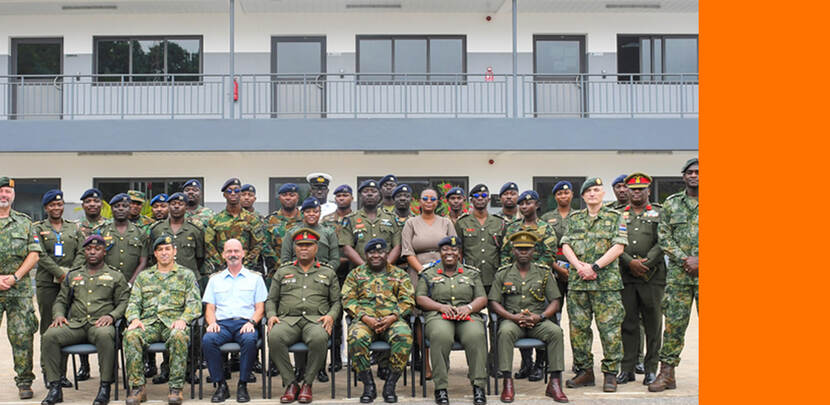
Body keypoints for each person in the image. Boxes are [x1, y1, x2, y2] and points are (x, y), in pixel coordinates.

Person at [40, 234, 129, 405]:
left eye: (97, 249)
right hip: (76, 325)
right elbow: (61, 300)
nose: (93, 252)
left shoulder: (115, 276)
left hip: (100, 324)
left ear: (104, 252)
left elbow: (124, 302)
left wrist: (112, 316)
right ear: (84, 252)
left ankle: (104, 387)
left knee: (105, 335)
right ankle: (55, 388)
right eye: (89, 249)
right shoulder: (73, 275)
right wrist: (58, 315)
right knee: (49, 336)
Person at [560, 177, 627, 393]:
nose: (592, 194)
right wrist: (579, 266)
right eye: (588, 191)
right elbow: (566, 245)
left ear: (602, 194)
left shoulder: (616, 217)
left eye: (596, 190)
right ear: (582, 196)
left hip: (606, 286)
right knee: (578, 330)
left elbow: (619, 247)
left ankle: (610, 374)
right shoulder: (575, 218)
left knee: (610, 331)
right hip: (579, 285)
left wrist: (594, 267)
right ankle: (585, 371)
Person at [489, 231, 568, 403]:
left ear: (534, 251)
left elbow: (555, 301)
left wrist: (540, 316)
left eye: (527, 249)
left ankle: (554, 382)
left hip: (537, 321)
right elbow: (494, 302)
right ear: (513, 251)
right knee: (504, 333)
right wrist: (512, 317)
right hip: (512, 321)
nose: (523, 252)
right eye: (519, 249)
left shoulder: (544, 273)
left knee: (556, 332)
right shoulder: (503, 273)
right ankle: (507, 382)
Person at [124, 235, 202, 405]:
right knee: (130, 335)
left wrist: (184, 319)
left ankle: (176, 388)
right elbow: (133, 302)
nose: (164, 253)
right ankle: (138, 388)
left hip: (173, 323)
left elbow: (194, 304)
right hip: (148, 324)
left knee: (179, 335)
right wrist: (134, 318)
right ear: (155, 254)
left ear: (175, 251)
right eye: (160, 250)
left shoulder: (186, 275)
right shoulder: (144, 277)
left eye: (168, 249)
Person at [267, 228, 340, 404]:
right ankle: (291, 383)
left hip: (316, 320)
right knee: (275, 336)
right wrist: (271, 315)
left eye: (308, 245)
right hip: (288, 320)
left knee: (319, 337)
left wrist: (331, 316)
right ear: (294, 248)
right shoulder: (283, 271)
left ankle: (307, 383)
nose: (304, 249)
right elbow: (271, 299)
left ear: (316, 248)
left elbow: (337, 302)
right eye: (300, 245)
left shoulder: (328, 272)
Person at [415, 236, 488, 405]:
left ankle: (478, 386)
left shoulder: (472, 273)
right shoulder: (428, 273)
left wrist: (468, 308)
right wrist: (440, 307)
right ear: (440, 253)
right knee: (441, 336)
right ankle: (441, 388)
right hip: (439, 315)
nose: (450, 253)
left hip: (466, 315)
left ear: (459, 253)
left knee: (476, 336)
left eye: (454, 250)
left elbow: (482, 298)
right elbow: (420, 298)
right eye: (445, 249)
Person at [341, 238, 414, 404]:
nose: (376, 255)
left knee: (404, 336)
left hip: (392, 320)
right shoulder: (356, 274)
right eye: (372, 252)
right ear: (366, 255)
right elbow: (347, 299)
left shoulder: (399, 274)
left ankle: (390, 385)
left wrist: (393, 317)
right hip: (364, 320)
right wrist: (365, 318)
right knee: (356, 337)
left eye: (380, 252)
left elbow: (408, 300)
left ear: (386, 254)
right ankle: (369, 386)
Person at [648, 158, 699, 393]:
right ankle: (667, 374)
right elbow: (664, 236)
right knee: (674, 327)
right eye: (690, 172)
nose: (694, 175)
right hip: (679, 276)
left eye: (699, 172)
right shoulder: (671, 204)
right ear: (683, 176)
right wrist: (684, 259)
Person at [499, 190, 557, 382]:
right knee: (518, 317)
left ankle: (540, 364)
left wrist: (531, 269)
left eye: (528, 203)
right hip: (515, 279)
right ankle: (526, 363)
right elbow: (505, 253)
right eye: (521, 204)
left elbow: (549, 256)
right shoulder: (513, 227)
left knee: (540, 321)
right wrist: (513, 270)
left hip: (539, 281)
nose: (524, 207)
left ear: (537, 205)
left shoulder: (545, 228)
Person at [202, 239, 267, 403]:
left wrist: (252, 323)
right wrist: (212, 323)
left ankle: (242, 385)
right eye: (229, 251)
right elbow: (210, 308)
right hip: (222, 324)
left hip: (245, 323)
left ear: (243, 254)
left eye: (236, 251)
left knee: (250, 339)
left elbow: (260, 308)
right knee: (208, 340)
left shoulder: (255, 279)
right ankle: (221, 385)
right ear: (223, 255)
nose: (233, 255)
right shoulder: (215, 279)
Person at [616, 173, 665, 386]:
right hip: (626, 275)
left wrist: (646, 263)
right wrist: (630, 262)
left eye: (641, 189)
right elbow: (613, 240)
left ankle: (651, 369)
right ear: (626, 190)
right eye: (632, 189)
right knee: (628, 323)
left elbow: (664, 239)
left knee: (653, 323)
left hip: (652, 277)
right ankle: (627, 369)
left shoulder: (660, 212)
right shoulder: (616, 213)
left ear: (648, 191)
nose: (636, 192)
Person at [33, 190, 85, 388]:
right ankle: (49, 373)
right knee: (49, 329)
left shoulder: (74, 228)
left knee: (66, 327)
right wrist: (61, 274)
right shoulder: (38, 228)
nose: (56, 208)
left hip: (71, 283)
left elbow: (81, 251)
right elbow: (40, 254)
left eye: (60, 204)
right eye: (52, 205)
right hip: (48, 284)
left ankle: (62, 374)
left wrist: (70, 275)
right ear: (46, 208)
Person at [0, 177, 42, 399]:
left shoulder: (25, 223)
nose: (3, 195)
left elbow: (34, 253)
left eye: (7, 191)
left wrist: (15, 277)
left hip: (19, 289)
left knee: (22, 336)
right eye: (0, 191)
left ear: (13, 195)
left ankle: (24, 382)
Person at [320, 184, 354, 373]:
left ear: (351, 198)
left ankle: (356, 355)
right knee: (333, 315)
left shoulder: (357, 219)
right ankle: (334, 359)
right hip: (332, 274)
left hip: (353, 273)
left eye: (345, 195)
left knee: (355, 315)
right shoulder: (326, 221)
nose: (342, 198)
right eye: (338, 195)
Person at [204, 178, 267, 275]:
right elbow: (209, 245)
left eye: (236, 190)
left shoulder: (252, 219)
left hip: (247, 271)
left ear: (240, 194)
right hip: (222, 270)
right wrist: (221, 263)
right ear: (224, 195)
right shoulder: (215, 220)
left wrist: (245, 265)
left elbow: (258, 244)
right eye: (229, 191)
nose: (233, 193)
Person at [455, 184, 506, 293]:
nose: (480, 198)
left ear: (488, 199)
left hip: (494, 275)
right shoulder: (462, 222)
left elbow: (504, 251)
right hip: (471, 275)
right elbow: (459, 252)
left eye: (483, 195)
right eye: (476, 196)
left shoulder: (499, 222)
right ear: (471, 200)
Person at [339, 180, 401, 267]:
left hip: (387, 272)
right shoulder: (350, 219)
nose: (369, 194)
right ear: (360, 196)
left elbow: (398, 246)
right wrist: (365, 268)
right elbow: (347, 248)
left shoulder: (392, 218)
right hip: (359, 272)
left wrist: (386, 266)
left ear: (380, 196)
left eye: (374, 191)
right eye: (365, 191)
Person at [148, 192, 206, 281]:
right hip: (163, 279)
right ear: (168, 206)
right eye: (173, 204)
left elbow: (200, 257)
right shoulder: (157, 229)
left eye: (180, 204)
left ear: (186, 207)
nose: (176, 207)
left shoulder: (195, 230)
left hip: (189, 280)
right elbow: (152, 256)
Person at [540, 181, 575, 318]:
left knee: (577, 313)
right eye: (559, 193)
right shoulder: (546, 218)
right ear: (555, 197)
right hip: (552, 269)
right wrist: (557, 268)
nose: (563, 196)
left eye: (566, 193)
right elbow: (542, 247)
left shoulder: (580, 216)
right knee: (553, 310)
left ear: (572, 194)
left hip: (576, 270)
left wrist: (574, 267)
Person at [99, 193, 149, 283]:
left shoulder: (140, 233)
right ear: (111, 209)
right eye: (116, 206)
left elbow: (143, 262)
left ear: (129, 209)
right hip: (106, 283)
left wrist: (131, 283)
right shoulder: (102, 231)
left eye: (125, 206)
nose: (121, 209)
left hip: (132, 283)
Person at [281, 198, 340, 269]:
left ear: (320, 213)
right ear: (302, 213)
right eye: (308, 212)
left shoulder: (329, 232)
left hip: (322, 275)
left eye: (315, 212)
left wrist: (325, 272)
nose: (311, 214)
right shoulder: (292, 232)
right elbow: (285, 259)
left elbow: (335, 260)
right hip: (297, 274)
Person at [264, 183, 304, 271]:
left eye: (292, 195)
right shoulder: (270, 220)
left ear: (298, 198)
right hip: (276, 270)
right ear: (279, 198)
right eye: (284, 195)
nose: (288, 198)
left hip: (302, 270)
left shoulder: (305, 219)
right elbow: (265, 246)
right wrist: (280, 264)